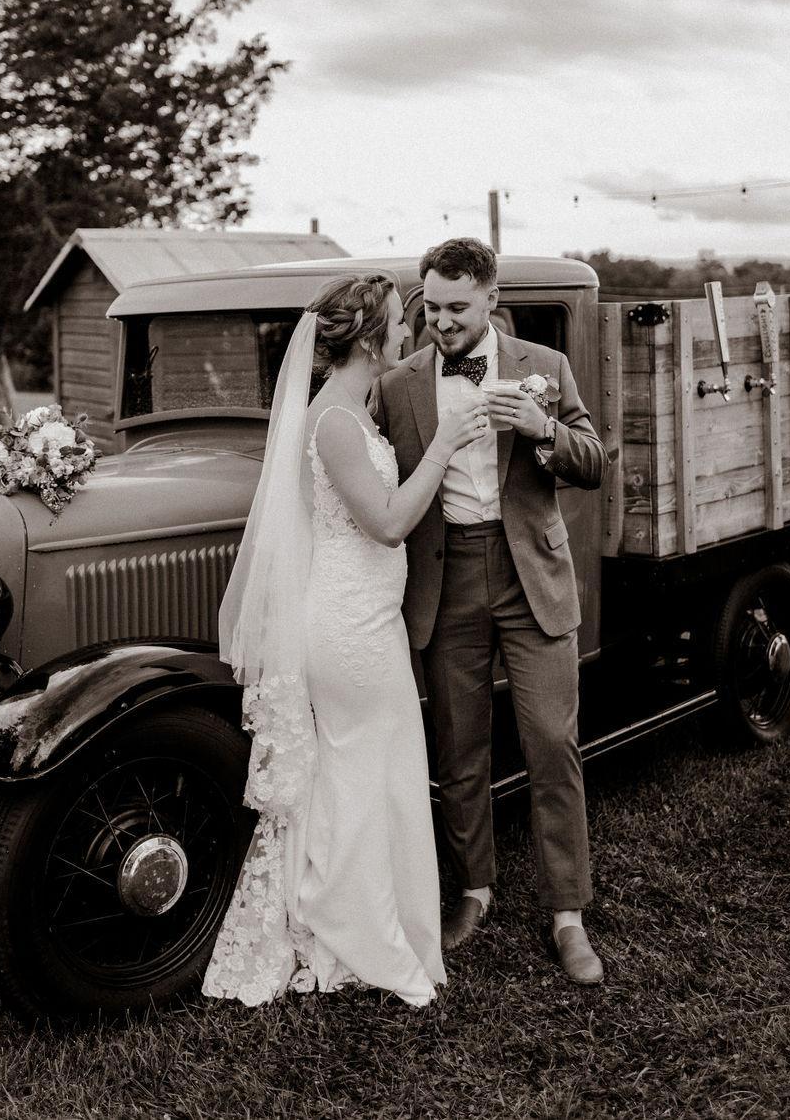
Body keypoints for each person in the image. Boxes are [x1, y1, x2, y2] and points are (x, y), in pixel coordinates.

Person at [203, 273, 485, 1007]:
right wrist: (445, 444)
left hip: (366, 616)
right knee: (369, 775)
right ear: (368, 337)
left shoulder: (350, 411)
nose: (409, 331)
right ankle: (357, 930)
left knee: (366, 773)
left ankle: (348, 919)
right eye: (399, 320)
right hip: (349, 624)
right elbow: (386, 523)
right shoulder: (333, 421)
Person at [372, 239, 609, 985]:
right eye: (431, 308)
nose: (441, 322)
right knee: (458, 746)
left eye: (458, 308)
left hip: (530, 575)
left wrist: (543, 431)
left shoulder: (546, 365)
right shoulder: (398, 384)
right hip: (443, 582)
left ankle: (567, 912)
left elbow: (595, 462)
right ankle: (475, 889)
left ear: (492, 299)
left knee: (551, 741)